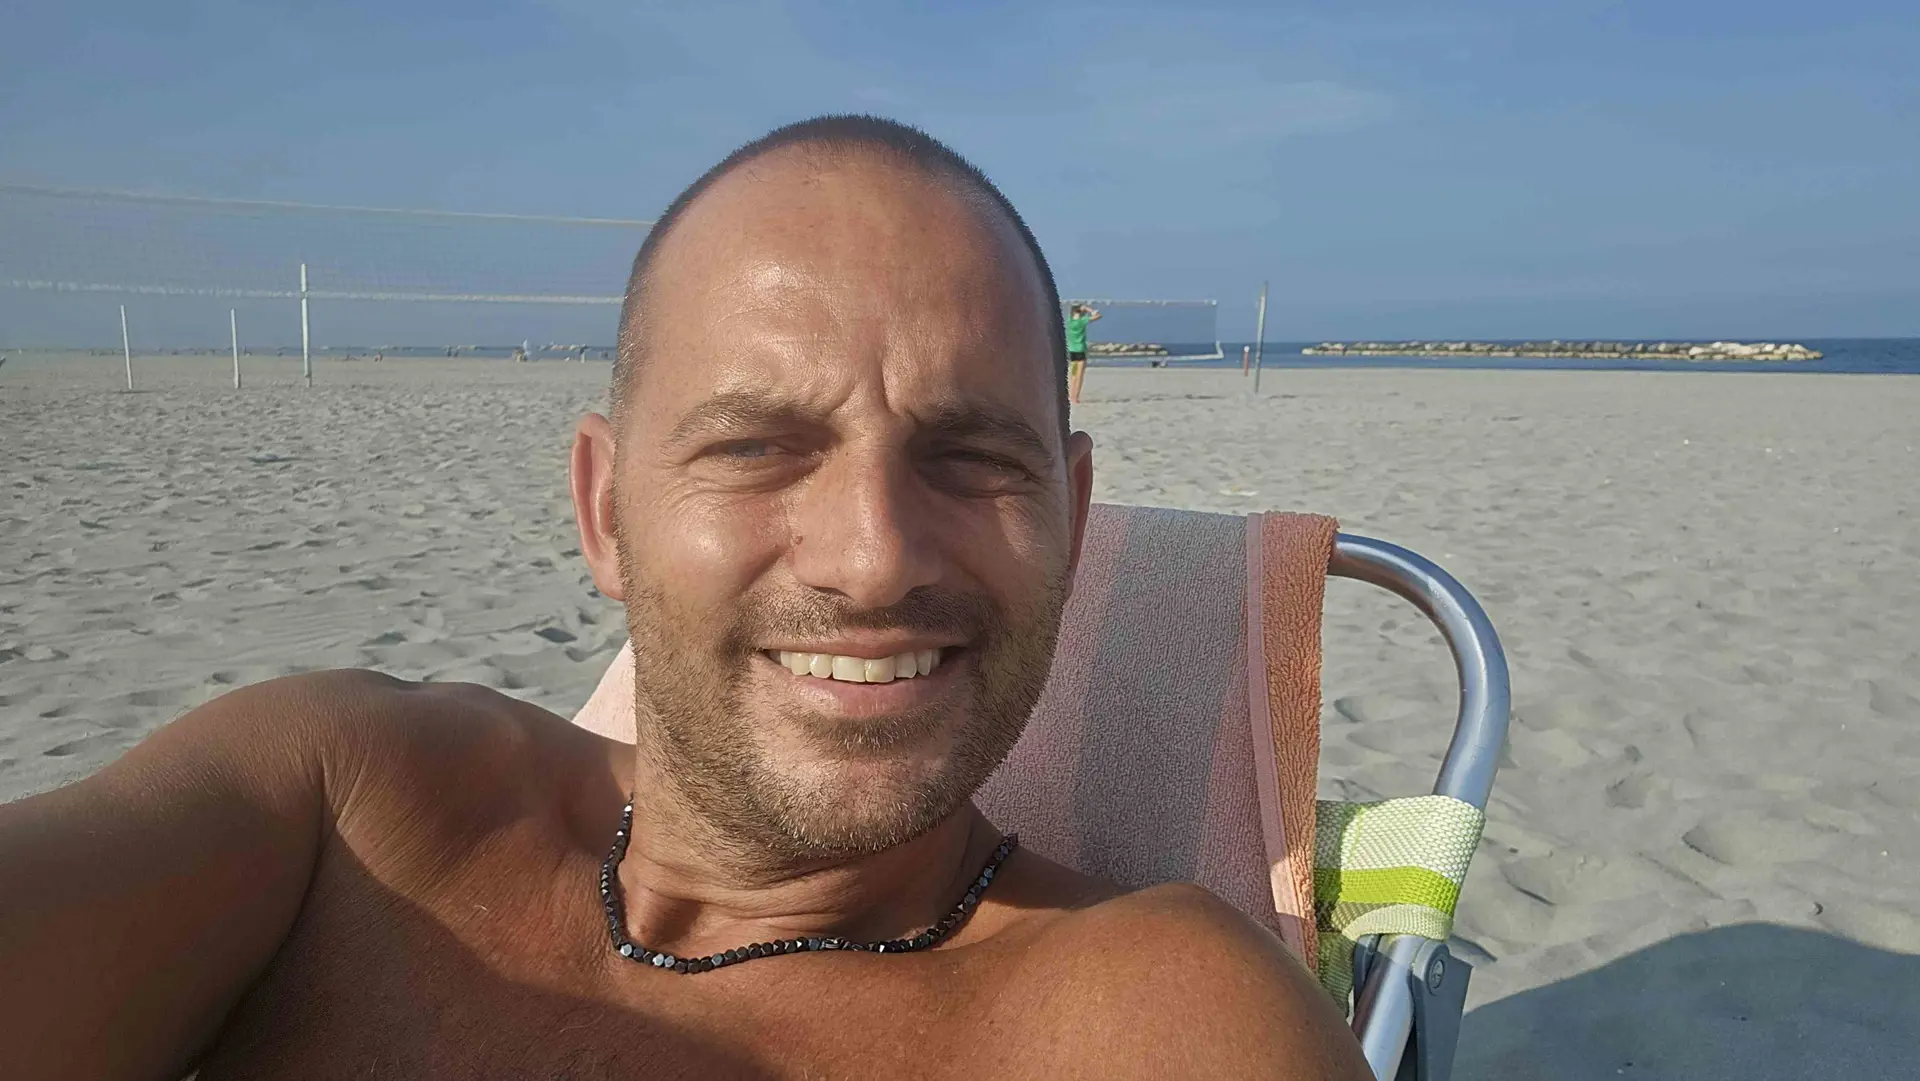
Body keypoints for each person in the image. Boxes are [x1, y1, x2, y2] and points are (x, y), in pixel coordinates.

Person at [0, 116, 1367, 1080]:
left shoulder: (1159, 1020)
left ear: (1069, 518)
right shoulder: (342, 810)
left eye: (971, 456)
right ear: (606, 510)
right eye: (758, 446)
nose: (873, 557)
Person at [1064, 302, 1100, 403]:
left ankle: (1070, 394)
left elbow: (1072, 313)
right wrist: (1089, 309)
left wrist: (1080, 309)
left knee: (1073, 373)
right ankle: (1075, 397)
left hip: (1072, 350)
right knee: (1079, 375)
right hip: (1080, 350)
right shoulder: (1082, 321)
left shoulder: (1069, 321)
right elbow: (1098, 316)